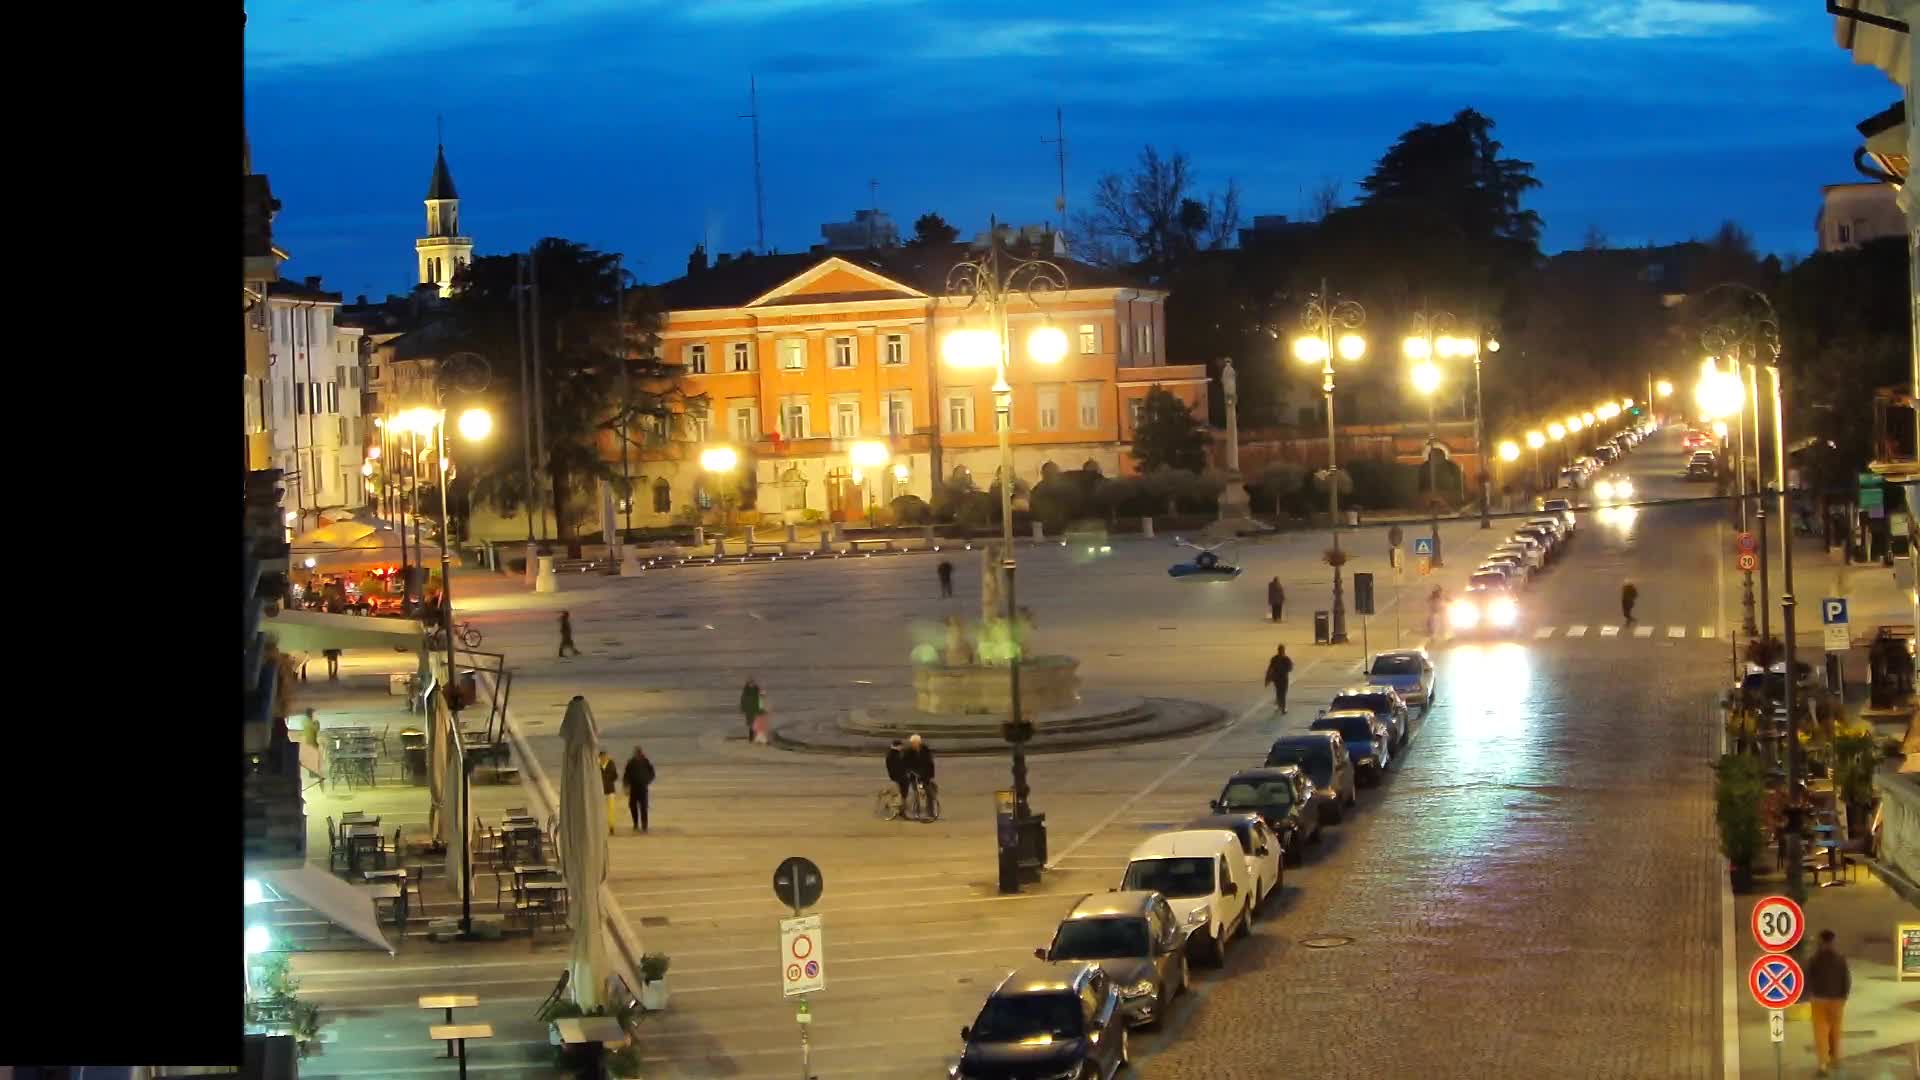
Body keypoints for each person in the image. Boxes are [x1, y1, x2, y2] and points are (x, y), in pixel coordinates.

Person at [1805, 929, 1851, 1075]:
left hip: (1819, 999)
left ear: (1821, 941)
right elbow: (1846, 979)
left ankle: (1822, 1064)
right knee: (1835, 1031)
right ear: (1833, 941)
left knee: (1820, 1032)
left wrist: (1810, 994)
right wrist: (1844, 995)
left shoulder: (1814, 959)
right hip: (1837, 999)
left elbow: (1808, 978)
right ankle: (1835, 1059)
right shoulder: (1840, 958)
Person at [623, 745, 656, 833]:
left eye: (638, 752)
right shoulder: (631, 763)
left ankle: (644, 825)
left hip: (643, 788)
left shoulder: (646, 761)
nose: (637, 754)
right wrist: (626, 786)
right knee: (632, 806)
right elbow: (626, 775)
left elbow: (652, 773)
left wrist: (647, 780)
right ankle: (636, 823)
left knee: (644, 807)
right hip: (633, 788)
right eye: (636, 752)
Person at [903, 734, 937, 818]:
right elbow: (905, 764)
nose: (914, 744)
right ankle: (916, 811)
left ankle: (930, 812)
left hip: (925, 776)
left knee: (930, 793)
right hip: (914, 776)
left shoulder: (925, 750)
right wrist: (909, 772)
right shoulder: (908, 752)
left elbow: (930, 763)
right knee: (916, 794)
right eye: (913, 743)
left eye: (916, 742)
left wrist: (931, 775)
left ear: (919, 742)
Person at [1264, 644, 1294, 714]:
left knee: (1280, 693)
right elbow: (1290, 668)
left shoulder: (1276, 658)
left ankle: (1280, 706)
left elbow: (1270, 669)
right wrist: (1267, 678)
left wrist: (1267, 678)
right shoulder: (1285, 659)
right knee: (1282, 693)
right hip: (1281, 679)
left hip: (1278, 678)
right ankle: (1282, 708)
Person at [884, 739, 911, 814]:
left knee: (898, 793)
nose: (902, 747)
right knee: (903, 792)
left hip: (895, 776)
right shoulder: (895, 755)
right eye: (901, 746)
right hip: (899, 777)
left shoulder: (891, 754)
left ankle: (900, 806)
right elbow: (900, 766)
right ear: (898, 746)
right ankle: (902, 809)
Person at [598, 750, 620, 836]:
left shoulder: (611, 764)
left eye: (604, 757)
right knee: (601, 810)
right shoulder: (597, 765)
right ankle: (602, 826)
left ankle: (611, 827)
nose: (603, 758)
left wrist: (608, 780)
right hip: (601, 791)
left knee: (611, 809)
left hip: (610, 790)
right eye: (602, 757)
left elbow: (615, 776)